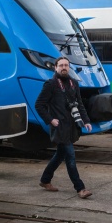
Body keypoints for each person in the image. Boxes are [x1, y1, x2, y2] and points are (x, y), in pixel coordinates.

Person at [35, 56, 93, 199]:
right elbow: (39, 105)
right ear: (55, 68)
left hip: (72, 125)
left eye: (66, 65)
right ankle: (80, 188)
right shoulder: (50, 84)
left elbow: (79, 104)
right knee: (70, 157)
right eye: (60, 65)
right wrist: (50, 120)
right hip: (59, 126)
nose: (63, 68)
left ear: (69, 67)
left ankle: (45, 180)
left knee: (60, 155)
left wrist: (86, 120)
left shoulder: (73, 83)